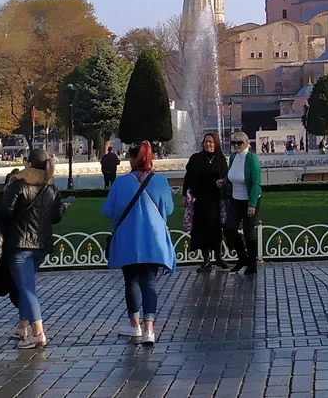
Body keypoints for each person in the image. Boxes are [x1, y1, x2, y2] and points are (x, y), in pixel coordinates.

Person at [103, 141, 176, 345]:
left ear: (133, 159)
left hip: (128, 239)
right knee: (149, 282)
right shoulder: (160, 181)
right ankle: (149, 329)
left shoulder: (121, 183)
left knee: (131, 281)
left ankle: (134, 324)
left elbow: (107, 211)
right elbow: (169, 210)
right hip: (153, 240)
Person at [0, 148, 68, 349]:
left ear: (28, 163)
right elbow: (55, 217)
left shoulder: (19, 185)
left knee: (27, 288)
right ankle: (23, 326)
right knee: (24, 286)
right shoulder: (51, 188)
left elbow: (5, 212)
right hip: (42, 245)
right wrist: (62, 208)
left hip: (20, 245)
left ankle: (38, 333)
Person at [184, 132, 228, 271]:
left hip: (215, 199)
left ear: (216, 144)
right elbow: (188, 177)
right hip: (200, 200)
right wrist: (185, 195)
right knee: (201, 229)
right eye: (206, 141)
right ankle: (206, 260)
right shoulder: (196, 158)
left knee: (215, 229)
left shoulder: (220, 159)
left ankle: (218, 257)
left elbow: (226, 177)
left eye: (211, 142)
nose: (208, 144)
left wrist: (223, 184)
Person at [224, 131, 262, 275]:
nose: (236, 145)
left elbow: (256, 183)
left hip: (249, 199)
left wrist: (252, 204)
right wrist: (224, 180)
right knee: (229, 228)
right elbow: (232, 175)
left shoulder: (252, 159)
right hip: (235, 199)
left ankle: (252, 263)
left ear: (246, 144)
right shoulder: (233, 157)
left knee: (248, 232)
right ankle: (242, 258)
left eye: (239, 143)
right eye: (233, 143)